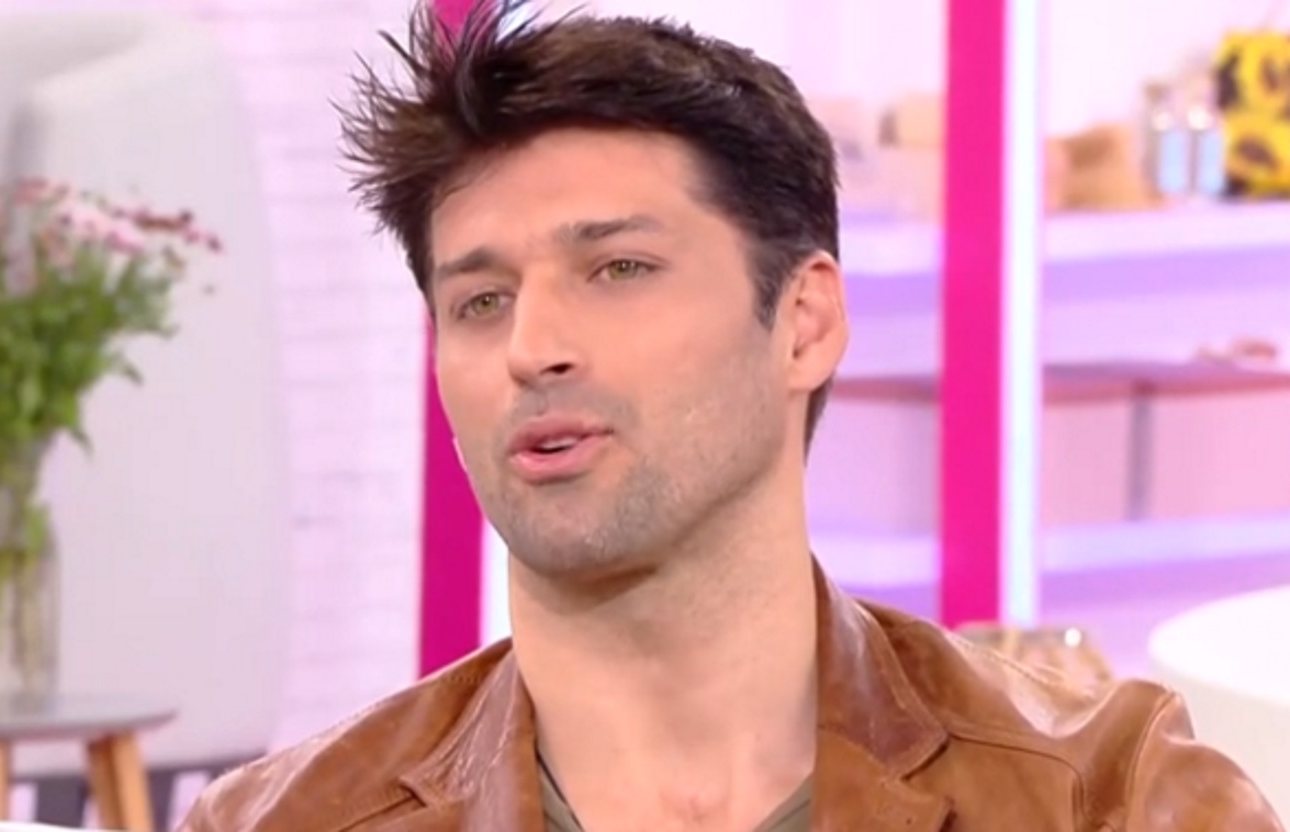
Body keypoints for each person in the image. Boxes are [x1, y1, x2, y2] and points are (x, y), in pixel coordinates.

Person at [180, 1, 1284, 829]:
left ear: (803, 324)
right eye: (480, 300)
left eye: (617, 268)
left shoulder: (1109, 798)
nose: (531, 346)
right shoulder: (288, 821)